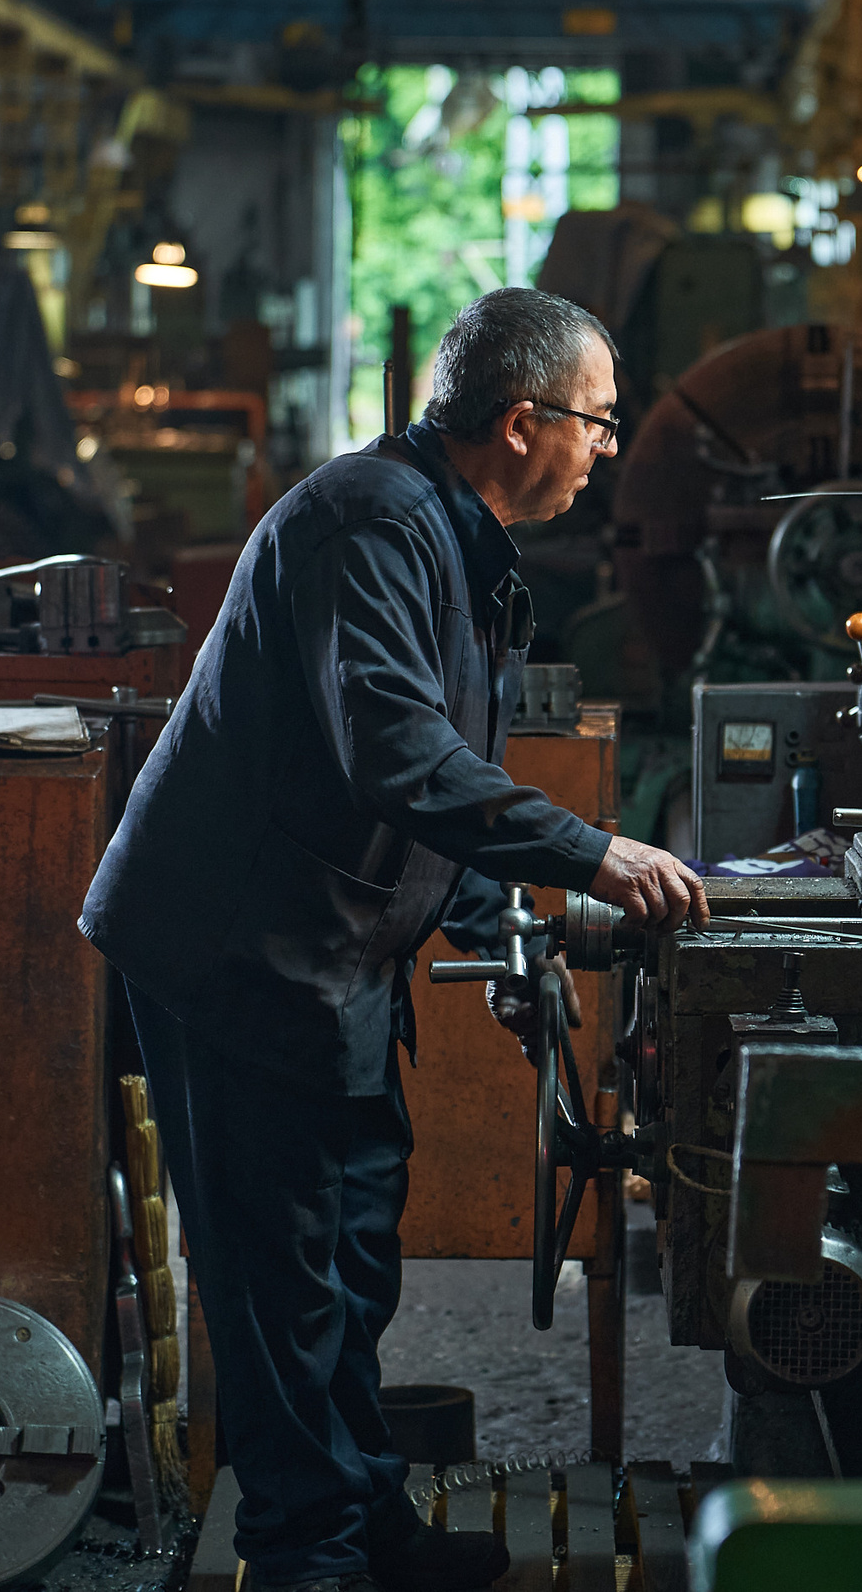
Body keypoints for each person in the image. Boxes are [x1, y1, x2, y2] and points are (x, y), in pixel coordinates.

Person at [80, 287, 707, 1592]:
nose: (606, 450)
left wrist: (500, 926)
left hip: (333, 951)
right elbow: (398, 753)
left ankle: (360, 1517)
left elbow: (439, 772)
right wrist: (596, 852)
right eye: (596, 423)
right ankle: (303, 1555)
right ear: (522, 422)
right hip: (239, 951)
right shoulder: (369, 523)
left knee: (352, 1259)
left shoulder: (457, 536)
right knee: (281, 1279)